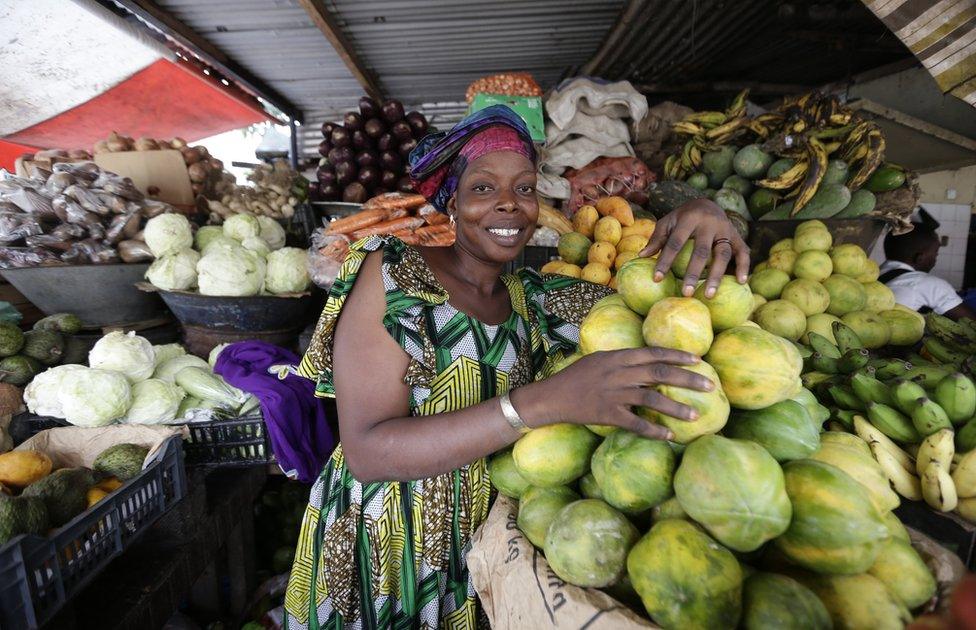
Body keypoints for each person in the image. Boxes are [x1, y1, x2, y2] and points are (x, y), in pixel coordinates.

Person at [284, 105, 750, 629]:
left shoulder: (538, 302)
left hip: (483, 555)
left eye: (525, 188)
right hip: (385, 549)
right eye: (483, 188)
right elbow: (369, 452)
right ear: (451, 201)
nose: (509, 204)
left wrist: (707, 212)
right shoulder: (392, 273)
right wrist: (542, 402)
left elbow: (647, 302)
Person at [881, 224, 975, 320]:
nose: (935, 259)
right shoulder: (927, 284)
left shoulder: (876, 274)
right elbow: (972, 323)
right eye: (936, 254)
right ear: (920, 258)